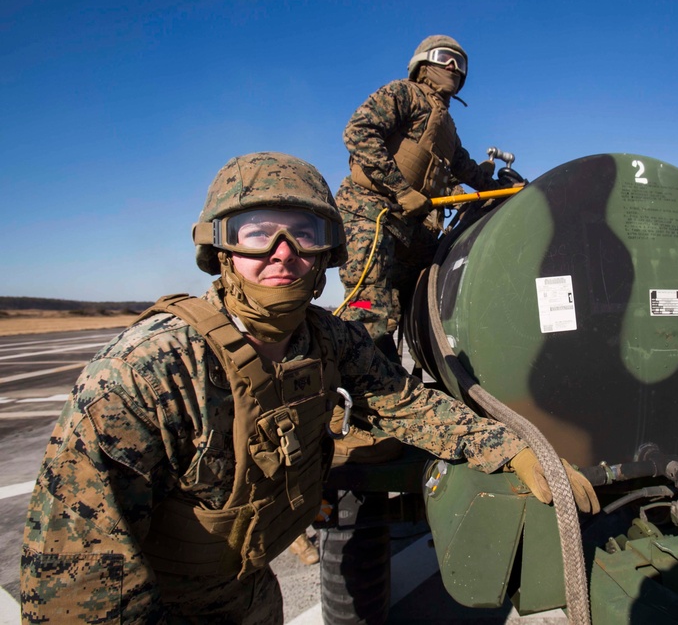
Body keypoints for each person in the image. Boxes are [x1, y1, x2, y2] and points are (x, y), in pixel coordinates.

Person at [20, 152, 597, 623]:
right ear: (220, 249)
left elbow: (403, 403)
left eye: (303, 234)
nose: (283, 254)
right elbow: (80, 586)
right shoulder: (147, 374)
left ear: (328, 251)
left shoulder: (327, 338)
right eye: (257, 233)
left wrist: (508, 447)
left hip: (248, 593)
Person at [335, 34, 520, 361]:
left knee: (442, 269)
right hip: (368, 215)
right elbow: (358, 131)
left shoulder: (446, 126)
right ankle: (360, 382)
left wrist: (504, 186)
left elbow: (467, 170)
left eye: (459, 63)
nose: (451, 67)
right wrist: (401, 189)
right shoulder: (403, 93)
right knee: (367, 305)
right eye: (444, 58)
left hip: (407, 226)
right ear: (422, 64)